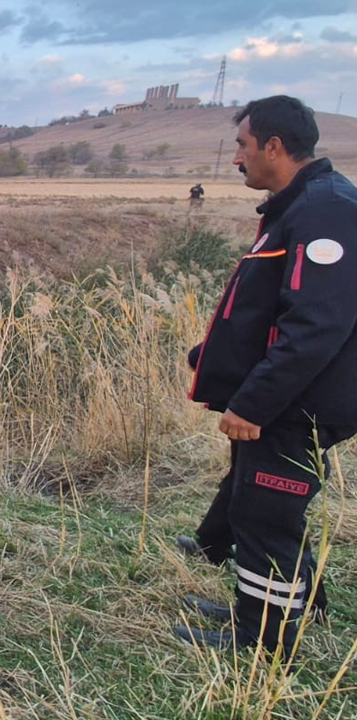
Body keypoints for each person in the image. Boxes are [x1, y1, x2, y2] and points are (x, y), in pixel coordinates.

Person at [175, 96, 357, 658]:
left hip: (298, 401)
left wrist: (252, 404)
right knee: (264, 504)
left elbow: (314, 327)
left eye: (243, 145)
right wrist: (216, 354)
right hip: (295, 393)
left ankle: (263, 642)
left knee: (265, 512)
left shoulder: (325, 212)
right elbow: (276, 307)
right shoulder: (304, 204)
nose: (237, 159)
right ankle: (293, 606)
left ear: (274, 146)